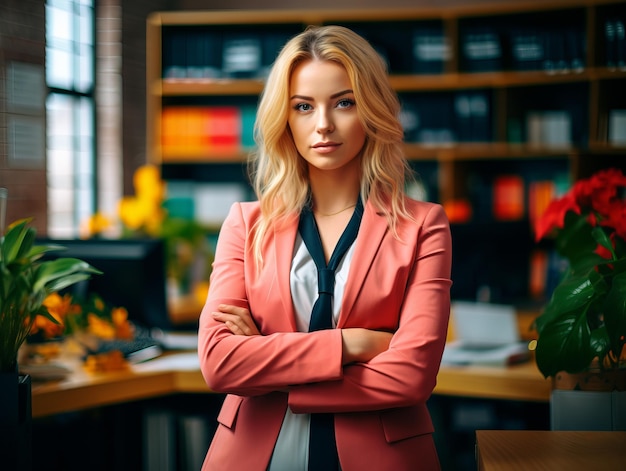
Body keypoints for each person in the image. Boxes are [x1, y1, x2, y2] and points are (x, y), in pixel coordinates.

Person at [197, 24, 452, 471]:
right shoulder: (245, 224)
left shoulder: (424, 226)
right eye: (303, 106)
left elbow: (412, 377)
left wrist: (269, 365)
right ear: (285, 117)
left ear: (371, 109)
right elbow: (220, 363)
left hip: (383, 456)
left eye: (344, 103)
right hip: (254, 453)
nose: (323, 125)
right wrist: (352, 345)